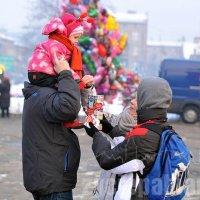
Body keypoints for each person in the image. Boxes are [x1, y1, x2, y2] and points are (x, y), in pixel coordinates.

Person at [22, 13, 94, 200]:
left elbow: (93, 116)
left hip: (50, 179)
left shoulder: (41, 94)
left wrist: (86, 89)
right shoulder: (46, 96)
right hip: (53, 183)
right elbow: (72, 108)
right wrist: (65, 74)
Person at [84, 77, 173, 199]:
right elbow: (95, 114)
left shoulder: (144, 136)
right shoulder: (128, 118)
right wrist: (88, 89)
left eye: (139, 98)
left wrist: (96, 134)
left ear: (149, 103)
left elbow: (107, 160)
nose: (132, 101)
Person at [27, 12, 94, 128]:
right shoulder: (56, 46)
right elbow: (65, 70)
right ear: (65, 35)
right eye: (76, 37)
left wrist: (85, 87)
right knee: (68, 88)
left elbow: (98, 120)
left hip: (41, 76)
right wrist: (79, 82)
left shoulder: (64, 50)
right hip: (42, 75)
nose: (77, 41)